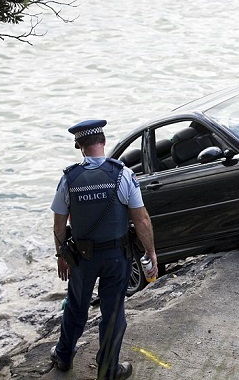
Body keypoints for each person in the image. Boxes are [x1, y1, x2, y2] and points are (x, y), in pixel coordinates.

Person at [50, 119, 157, 380]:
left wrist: (61, 255)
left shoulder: (69, 179)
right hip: (116, 258)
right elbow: (141, 218)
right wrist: (150, 251)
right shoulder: (123, 174)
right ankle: (109, 369)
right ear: (104, 141)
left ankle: (64, 357)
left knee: (76, 306)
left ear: (79, 145)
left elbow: (59, 224)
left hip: (82, 258)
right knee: (113, 311)